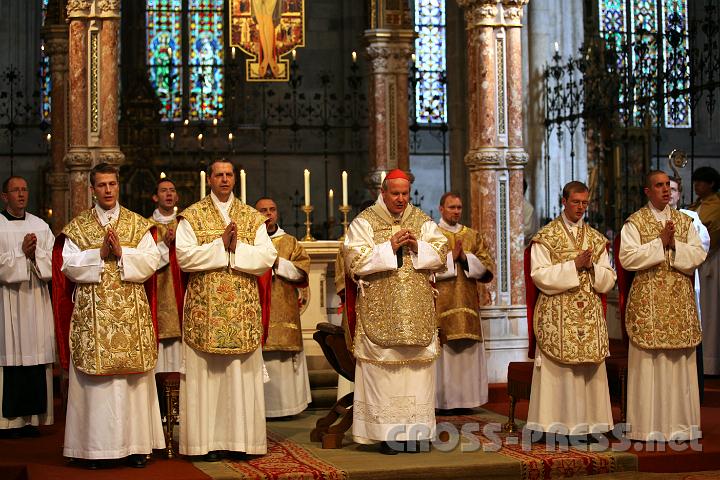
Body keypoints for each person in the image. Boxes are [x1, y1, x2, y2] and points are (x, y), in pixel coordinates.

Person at [54, 163, 164, 468]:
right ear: (92, 189)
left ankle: (136, 447)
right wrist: (99, 254)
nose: (108, 190)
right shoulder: (79, 227)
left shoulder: (137, 224)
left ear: (119, 186)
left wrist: (124, 254)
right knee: (96, 388)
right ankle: (93, 450)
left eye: (112, 184)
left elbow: (152, 261)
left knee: (132, 385)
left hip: (130, 315)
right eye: (101, 185)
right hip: (93, 317)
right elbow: (68, 266)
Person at [175, 159, 277, 460]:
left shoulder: (250, 217)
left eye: (228, 174)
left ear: (235, 179)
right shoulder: (191, 217)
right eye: (219, 175)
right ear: (210, 179)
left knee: (239, 377)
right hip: (204, 312)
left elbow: (266, 257)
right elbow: (185, 258)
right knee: (205, 379)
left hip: (241, 311)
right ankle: (202, 444)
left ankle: (243, 442)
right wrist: (220, 245)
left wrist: (235, 249)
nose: (224, 179)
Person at [343, 169, 448, 454]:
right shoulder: (364, 222)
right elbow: (354, 260)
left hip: (417, 311)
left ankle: (416, 433)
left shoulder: (422, 221)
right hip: (380, 310)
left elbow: (442, 254)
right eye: (395, 194)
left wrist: (418, 246)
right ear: (383, 192)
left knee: (417, 375)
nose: (401, 199)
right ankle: (387, 434)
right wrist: (388, 247)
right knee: (383, 375)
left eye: (405, 193)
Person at [525, 181, 616, 442]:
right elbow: (539, 276)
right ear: (563, 201)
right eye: (576, 202)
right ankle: (556, 426)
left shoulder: (596, 239)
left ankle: (591, 425)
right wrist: (573, 265)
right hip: (557, 313)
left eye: (585, 203)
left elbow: (608, 279)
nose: (580, 208)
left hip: (587, 313)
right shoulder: (546, 237)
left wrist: (592, 269)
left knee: (589, 370)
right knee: (560, 371)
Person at [619, 170, 706, 442]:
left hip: (679, 302)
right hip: (649, 303)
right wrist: (659, 243)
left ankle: (682, 426)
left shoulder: (684, 221)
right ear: (647, 191)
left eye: (668, 185)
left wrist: (674, 245)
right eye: (659, 185)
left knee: (679, 364)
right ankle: (647, 427)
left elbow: (698, 254)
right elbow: (627, 258)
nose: (665, 190)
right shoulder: (635, 223)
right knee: (650, 364)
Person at [0, 176, 54, 438]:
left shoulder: (40, 226)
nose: (21, 195)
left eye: (24, 189)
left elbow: (56, 263)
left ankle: (32, 419)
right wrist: (21, 253)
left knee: (35, 354)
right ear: (4, 196)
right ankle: (7, 422)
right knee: (9, 355)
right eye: (15, 190)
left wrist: (35, 255)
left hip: (35, 300)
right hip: (7, 302)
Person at [433, 192, 494, 413]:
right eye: (451, 207)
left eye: (459, 207)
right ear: (441, 209)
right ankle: (443, 401)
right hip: (442, 305)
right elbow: (426, 267)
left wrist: (465, 258)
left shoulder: (473, 236)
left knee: (466, 353)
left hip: (468, 303)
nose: (456, 211)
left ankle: (467, 400)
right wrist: (450, 258)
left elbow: (487, 266)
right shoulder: (433, 235)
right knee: (445, 353)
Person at [254, 197, 312, 418]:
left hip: (284, 307)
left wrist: (278, 263)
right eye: (263, 210)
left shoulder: (290, 242)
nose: (268, 214)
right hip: (257, 308)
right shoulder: (248, 241)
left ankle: (288, 407)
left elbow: (301, 272)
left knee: (283, 358)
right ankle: (260, 408)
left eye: (272, 209)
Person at [669, 176, 710, 399]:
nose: (669, 193)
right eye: (665, 188)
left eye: (674, 189)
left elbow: (702, 248)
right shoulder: (646, 218)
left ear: (679, 193)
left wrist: (675, 244)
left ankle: (692, 392)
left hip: (685, 282)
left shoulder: (691, 218)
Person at [149, 178, 184, 373]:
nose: (169, 194)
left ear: (177, 196)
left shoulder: (186, 224)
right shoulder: (147, 226)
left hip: (182, 290)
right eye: (163, 190)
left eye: (172, 190)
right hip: (159, 293)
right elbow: (145, 262)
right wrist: (165, 245)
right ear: (155, 197)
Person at [688, 166, 720, 375]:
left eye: (701, 181)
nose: (696, 185)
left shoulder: (716, 205)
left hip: (712, 260)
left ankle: (712, 361)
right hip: (697, 261)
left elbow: (711, 232)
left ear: (712, 184)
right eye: (695, 181)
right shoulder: (697, 204)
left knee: (710, 310)